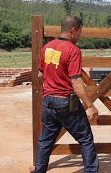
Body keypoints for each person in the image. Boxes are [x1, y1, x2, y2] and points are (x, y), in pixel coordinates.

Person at [32, 15, 99, 173]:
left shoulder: (47, 48)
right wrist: (89, 105)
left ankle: (39, 170)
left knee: (45, 140)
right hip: (65, 102)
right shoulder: (73, 50)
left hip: (48, 101)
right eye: (79, 32)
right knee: (85, 138)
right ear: (73, 30)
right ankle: (90, 170)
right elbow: (76, 81)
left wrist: (49, 90)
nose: (80, 36)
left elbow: (40, 75)